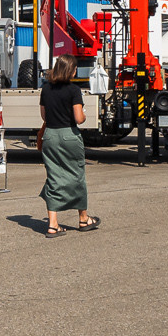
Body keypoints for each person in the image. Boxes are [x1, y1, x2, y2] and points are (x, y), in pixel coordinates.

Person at [37, 56, 96, 237]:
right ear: (71, 70)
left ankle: (53, 225)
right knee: (76, 175)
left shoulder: (46, 89)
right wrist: (85, 116)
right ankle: (83, 218)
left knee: (53, 177)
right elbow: (78, 118)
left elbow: (44, 117)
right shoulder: (74, 90)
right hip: (69, 135)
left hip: (51, 136)